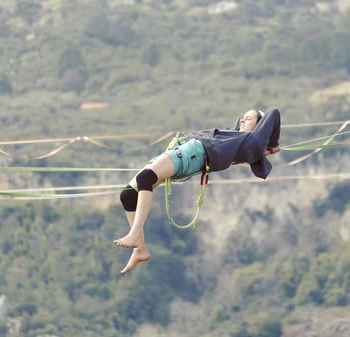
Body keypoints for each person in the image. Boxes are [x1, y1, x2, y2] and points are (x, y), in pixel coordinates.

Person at [113, 108, 281, 274]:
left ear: (260, 127)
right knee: (128, 195)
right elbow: (240, 124)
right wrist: (258, 134)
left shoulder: (250, 141)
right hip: (184, 150)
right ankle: (140, 250)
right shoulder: (234, 137)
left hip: (194, 153)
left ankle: (134, 234)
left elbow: (273, 113)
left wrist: (272, 143)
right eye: (243, 118)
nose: (242, 120)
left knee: (145, 178)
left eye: (249, 118)